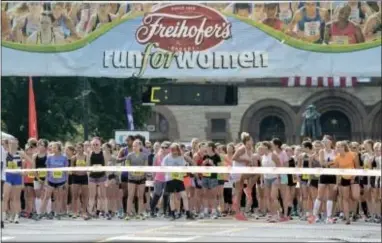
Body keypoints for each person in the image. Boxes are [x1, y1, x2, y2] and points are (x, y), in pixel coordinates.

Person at [163, 143, 194, 221]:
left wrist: (186, 167)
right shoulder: (167, 158)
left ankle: (187, 213)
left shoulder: (181, 158)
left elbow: (185, 166)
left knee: (184, 195)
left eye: (176, 150)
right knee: (172, 197)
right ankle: (172, 214)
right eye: (172, 150)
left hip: (179, 179)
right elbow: (163, 167)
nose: (174, 152)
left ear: (178, 150)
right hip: (170, 179)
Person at [37, 142, 68, 220]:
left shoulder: (64, 158)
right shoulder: (49, 157)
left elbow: (66, 170)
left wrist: (66, 181)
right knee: (46, 197)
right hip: (51, 180)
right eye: (52, 147)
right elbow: (47, 170)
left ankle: (57, 213)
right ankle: (41, 213)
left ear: (59, 149)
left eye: (55, 147)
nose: (53, 149)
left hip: (61, 181)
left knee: (59, 197)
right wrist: (46, 180)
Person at [332, 141, 360, 225]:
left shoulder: (353, 154)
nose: (339, 148)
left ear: (344, 147)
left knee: (355, 196)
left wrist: (353, 177)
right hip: (343, 179)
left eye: (340, 146)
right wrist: (337, 183)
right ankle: (347, 218)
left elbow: (357, 167)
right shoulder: (336, 158)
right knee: (345, 198)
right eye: (337, 147)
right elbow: (337, 172)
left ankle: (354, 213)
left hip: (353, 176)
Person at [231, 132, 254, 221]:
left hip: (243, 171)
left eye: (252, 140)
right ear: (246, 141)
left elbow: (248, 162)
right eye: (250, 140)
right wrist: (245, 159)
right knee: (238, 193)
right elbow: (234, 158)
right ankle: (237, 213)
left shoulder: (251, 150)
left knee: (239, 192)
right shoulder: (242, 149)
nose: (252, 142)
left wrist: (249, 163)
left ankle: (248, 188)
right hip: (237, 171)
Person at [124, 140, 148, 220]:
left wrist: (140, 173)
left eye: (136, 146)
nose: (134, 147)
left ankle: (140, 213)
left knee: (140, 196)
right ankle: (128, 213)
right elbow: (127, 165)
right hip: (132, 178)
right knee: (130, 196)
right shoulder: (129, 155)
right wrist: (133, 173)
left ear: (140, 146)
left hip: (141, 178)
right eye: (133, 146)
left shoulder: (144, 156)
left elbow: (146, 166)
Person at [199, 142, 221, 219]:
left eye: (207, 147)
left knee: (213, 195)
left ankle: (214, 211)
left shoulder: (217, 156)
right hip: (205, 176)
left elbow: (219, 168)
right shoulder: (205, 156)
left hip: (213, 177)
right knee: (205, 194)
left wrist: (212, 164)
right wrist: (203, 163)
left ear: (211, 147)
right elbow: (201, 166)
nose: (206, 148)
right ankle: (205, 210)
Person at [87, 137, 107, 218]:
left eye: (97, 144)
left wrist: (107, 178)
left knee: (103, 195)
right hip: (92, 176)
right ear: (91, 145)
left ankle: (106, 212)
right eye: (94, 144)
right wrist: (88, 176)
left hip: (102, 176)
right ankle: (90, 212)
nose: (95, 146)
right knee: (92, 196)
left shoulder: (104, 153)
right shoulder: (89, 153)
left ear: (100, 145)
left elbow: (106, 166)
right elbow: (88, 166)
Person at [150, 141, 170, 217]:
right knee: (157, 194)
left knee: (166, 195)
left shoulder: (170, 156)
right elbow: (154, 167)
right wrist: (153, 178)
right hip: (158, 178)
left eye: (166, 147)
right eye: (162, 147)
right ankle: (152, 210)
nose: (164, 149)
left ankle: (165, 212)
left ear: (169, 148)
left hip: (167, 178)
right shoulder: (157, 156)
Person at [71, 143, 89, 220]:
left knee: (84, 196)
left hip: (84, 177)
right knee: (75, 196)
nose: (79, 149)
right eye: (77, 148)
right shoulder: (73, 158)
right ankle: (75, 212)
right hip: (76, 177)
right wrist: (77, 172)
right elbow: (71, 169)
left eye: (80, 147)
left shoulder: (86, 156)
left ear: (83, 148)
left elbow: (88, 167)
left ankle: (84, 212)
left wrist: (83, 171)